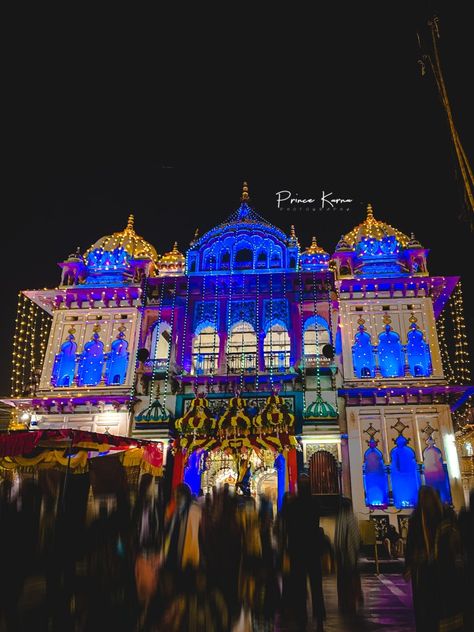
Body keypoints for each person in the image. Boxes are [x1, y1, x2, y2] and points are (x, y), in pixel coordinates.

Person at [404, 486, 464, 631]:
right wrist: (411, 563)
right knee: (429, 605)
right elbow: (411, 544)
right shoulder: (418, 519)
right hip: (426, 569)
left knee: (444, 603)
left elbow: (456, 539)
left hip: (444, 567)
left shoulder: (445, 516)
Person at [286, 474, 326, 631]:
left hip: (298, 550)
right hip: (313, 549)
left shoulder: (292, 505)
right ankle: (319, 616)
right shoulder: (315, 503)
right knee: (316, 586)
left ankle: (301, 617)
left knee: (299, 586)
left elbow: (288, 527)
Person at [334, 497, 362, 615]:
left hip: (341, 555)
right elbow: (356, 538)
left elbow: (338, 539)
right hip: (350, 554)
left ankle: (344, 602)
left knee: (343, 580)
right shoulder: (351, 518)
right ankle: (352, 601)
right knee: (351, 578)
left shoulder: (340, 519)